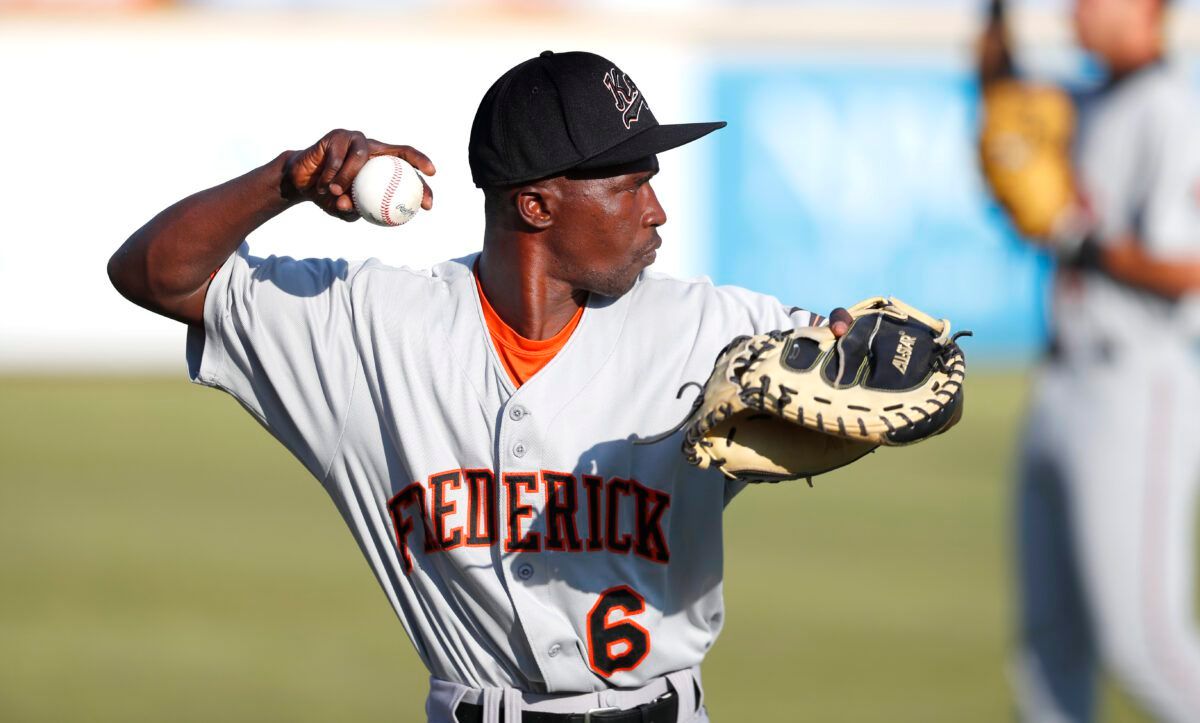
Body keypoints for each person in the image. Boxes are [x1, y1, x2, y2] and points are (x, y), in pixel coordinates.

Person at [108, 50, 852, 722]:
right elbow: (154, 273)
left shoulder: (713, 328)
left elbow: (866, 367)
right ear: (536, 205)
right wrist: (285, 179)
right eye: (629, 186)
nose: (656, 210)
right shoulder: (369, 330)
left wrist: (870, 365)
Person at [979, 1, 1200, 720]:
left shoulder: (1172, 110)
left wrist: (1080, 242)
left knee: (1146, 648)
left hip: (1136, 380)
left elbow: (1189, 269)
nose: (1076, 9)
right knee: (1048, 649)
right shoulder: (1089, 99)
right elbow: (1006, 95)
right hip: (1061, 380)